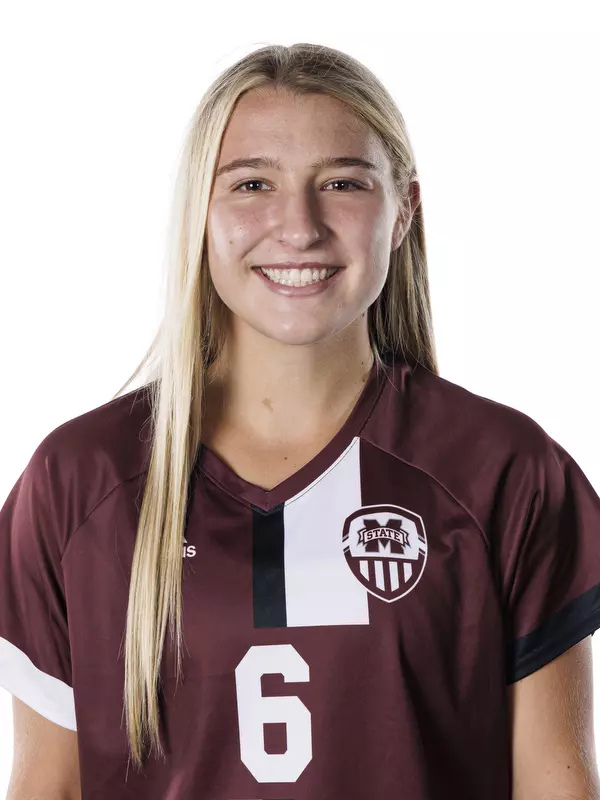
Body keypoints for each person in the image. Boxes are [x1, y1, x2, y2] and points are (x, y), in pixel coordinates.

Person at [1, 41, 600, 800]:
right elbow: (46, 788)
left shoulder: (500, 470)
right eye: (253, 183)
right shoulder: (80, 481)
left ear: (404, 209)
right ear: (200, 210)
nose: (299, 226)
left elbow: (558, 787)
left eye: (343, 183)